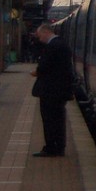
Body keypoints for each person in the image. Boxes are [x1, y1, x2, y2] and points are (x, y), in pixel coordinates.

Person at [30, 23, 73, 157]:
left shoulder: (53, 46)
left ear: (45, 32)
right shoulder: (62, 44)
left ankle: (51, 147)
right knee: (58, 119)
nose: (39, 39)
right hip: (59, 90)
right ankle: (59, 146)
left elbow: (44, 66)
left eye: (39, 36)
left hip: (51, 91)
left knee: (50, 119)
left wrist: (37, 71)